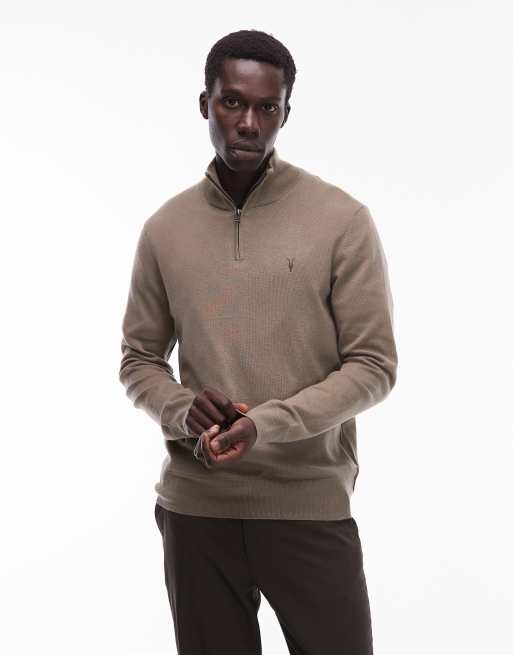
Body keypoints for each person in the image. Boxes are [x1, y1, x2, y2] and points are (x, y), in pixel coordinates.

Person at [119, 28, 398, 655]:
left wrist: (264, 424)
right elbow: (139, 359)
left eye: (266, 107)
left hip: (308, 507)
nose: (248, 123)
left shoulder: (341, 220)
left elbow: (374, 365)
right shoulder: (165, 229)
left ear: (285, 113)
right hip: (197, 512)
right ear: (205, 104)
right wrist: (181, 408)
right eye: (232, 102)